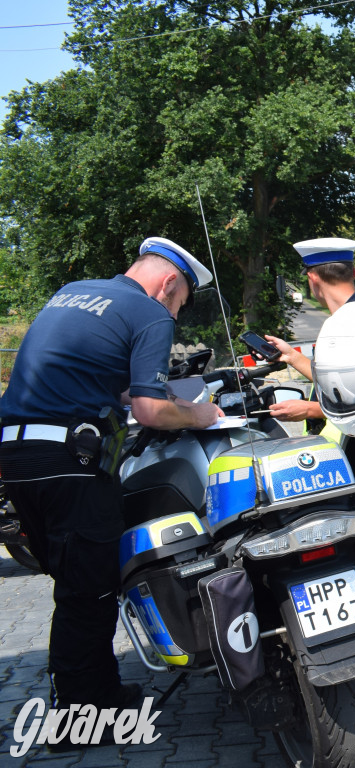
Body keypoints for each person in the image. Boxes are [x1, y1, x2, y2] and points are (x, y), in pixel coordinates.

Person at [0, 237, 224, 732]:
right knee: (90, 589)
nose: (176, 312)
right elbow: (147, 409)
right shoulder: (151, 313)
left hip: (16, 458)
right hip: (69, 462)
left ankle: (93, 689)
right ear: (168, 283)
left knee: (75, 583)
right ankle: (79, 713)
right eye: (180, 300)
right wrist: (201, 411)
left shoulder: (73, 291)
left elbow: (102, 381)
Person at [264, 237, 355, 431]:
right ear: (353, 272)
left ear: (312, 279)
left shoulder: (347, 326)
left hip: (354, 450)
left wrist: (311, 410)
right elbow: (336, 383)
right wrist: (291, 356)